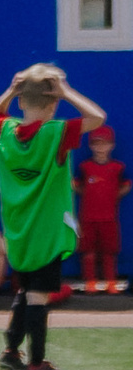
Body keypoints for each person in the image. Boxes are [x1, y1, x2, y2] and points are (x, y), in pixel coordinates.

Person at [0, 65, 108, 370]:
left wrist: (10, 90)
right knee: (37, 296)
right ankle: (36, 361)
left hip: (18, 229)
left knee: (26, 289)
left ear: (20, 101)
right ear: (54, 102)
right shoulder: (55, 132)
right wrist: (67, 91)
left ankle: (11, 351)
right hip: (46, 230)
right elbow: (97, 117)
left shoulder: (4, 131)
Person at [78, 123, 125, 293]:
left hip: (109, 218)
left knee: (109, 252)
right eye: (96, 143)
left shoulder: (117, 168)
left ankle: (111, 282)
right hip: (87, 218)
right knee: (88, 251)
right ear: (90, 145)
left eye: (104, 143)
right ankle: (91, 282)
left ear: (112, 145)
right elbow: (76, 185)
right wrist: (89, 194)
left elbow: (126, 185)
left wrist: (113, 195)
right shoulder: (85, 167)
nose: (100, 147)